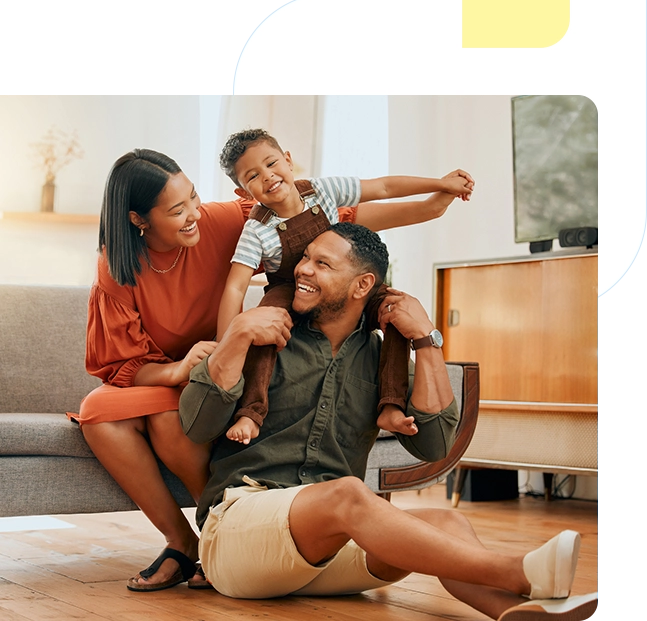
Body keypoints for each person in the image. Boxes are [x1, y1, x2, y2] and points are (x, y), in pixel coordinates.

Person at [74, 148, 476, 593]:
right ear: (138, 220)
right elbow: (121, 364)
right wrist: (205, 356)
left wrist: (431, 206)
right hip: (194, 368)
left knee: (447, 524)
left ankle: (527, 594)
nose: (193, 215)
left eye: (194, 198)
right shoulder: (118, 268)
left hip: (229, 369)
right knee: (103, 411)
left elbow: (327, 220)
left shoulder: (226, 221)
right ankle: (188, 539)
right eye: (177, 210)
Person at [179, 222, 598, 621]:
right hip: (239, 534)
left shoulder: (385, 364)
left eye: (322, 264)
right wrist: (235, 336)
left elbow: (434, 448)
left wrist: (426, 340)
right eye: (305, 258)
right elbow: (197, 426)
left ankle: (513, 612)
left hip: (328, 552)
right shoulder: (264, 335)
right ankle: (518, 572)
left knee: (448, 522)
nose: (303, 269)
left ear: (363, 285)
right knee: (349, 494)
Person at [216, 128, 473, 444]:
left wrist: (440, 184)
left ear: (288, 159)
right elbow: (234, 288)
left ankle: (391, 405)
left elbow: (383, 186)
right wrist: (225, 344)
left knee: (396, 309)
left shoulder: (322, 191)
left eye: (271, 164)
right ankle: (251, 412)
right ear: (243, 193)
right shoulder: (256, 230)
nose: (268, 177)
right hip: (289, 287)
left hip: (342, 277)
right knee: (264, 327)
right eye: (253, 176)